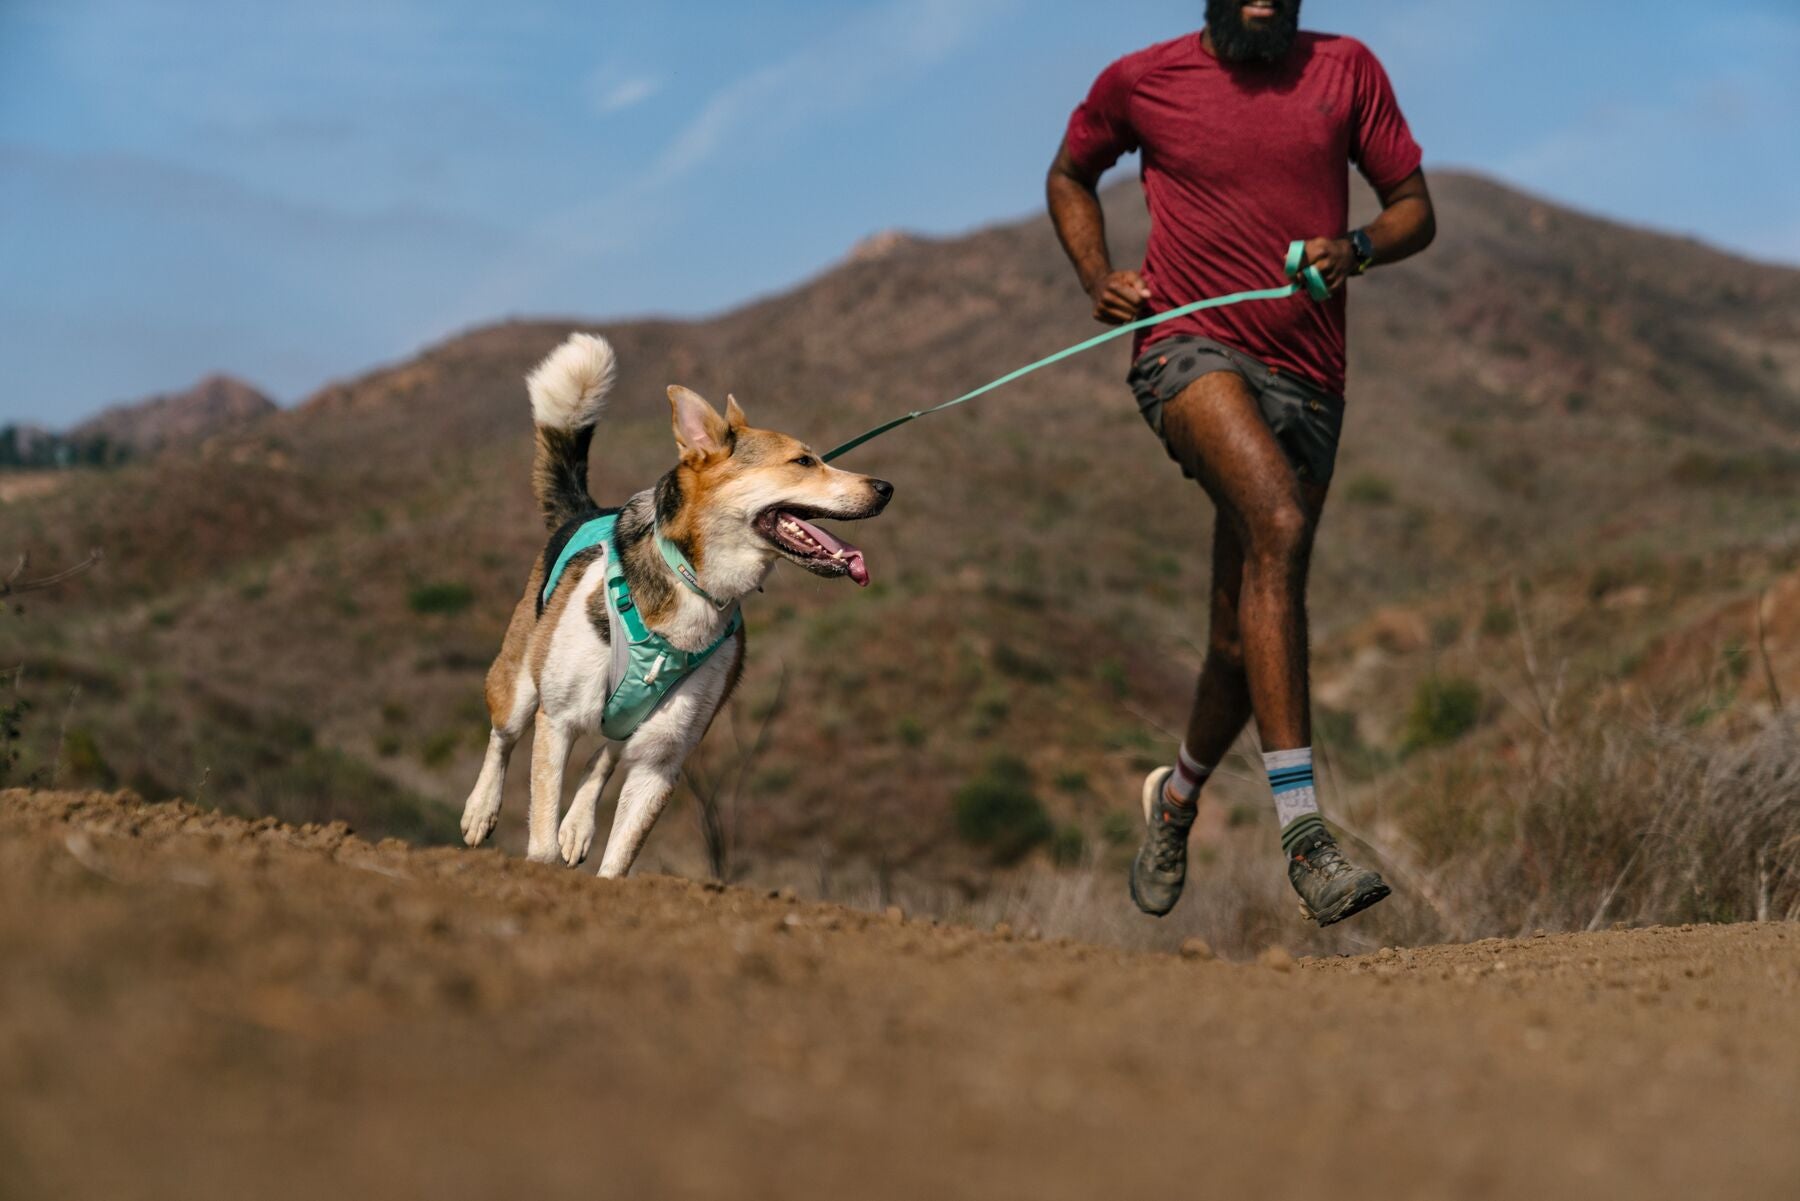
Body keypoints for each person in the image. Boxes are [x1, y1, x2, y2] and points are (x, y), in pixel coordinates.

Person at [1045, 0, 1436, 926]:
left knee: (1236, 638)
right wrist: (1098, 274)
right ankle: (1306, 838)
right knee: (1279, 521)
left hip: (1313, 381)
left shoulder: (1347, 69)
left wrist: (1358, 247)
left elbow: (1416, 211)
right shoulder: (1144, 80)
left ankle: (1175, 802)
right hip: (1185, 351)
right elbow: (1070, 175)